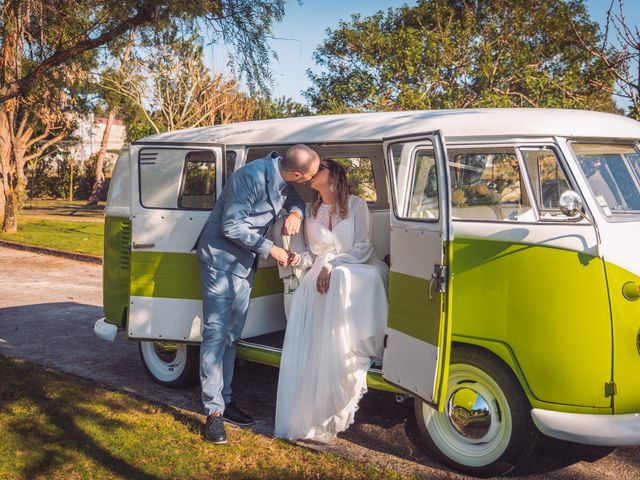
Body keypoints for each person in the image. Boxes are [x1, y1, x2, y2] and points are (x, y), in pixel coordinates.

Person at [197, 144, 320, 444]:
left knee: (231, 335)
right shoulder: (248, 178)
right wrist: (272, 249)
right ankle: (213, 413)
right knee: (215, 333)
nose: (311, 181)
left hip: (243, 264)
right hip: (220, 261)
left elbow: (293, 198)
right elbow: (231, 226)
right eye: (310, 176)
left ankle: (224, 401)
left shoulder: (282, 175)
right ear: (295, 172)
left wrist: (295, 213)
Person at [274, 159, 389, 442]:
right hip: (321, 273)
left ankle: (351, 349)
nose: (313, 173)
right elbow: (314, 255)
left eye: (320, 168)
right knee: (317, 285)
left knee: (339, 279)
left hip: (358, 266)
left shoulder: (357, 205)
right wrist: (297, 259)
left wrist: (333, 265)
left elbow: (363, 246)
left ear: (334, 174)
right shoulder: (311, 211)